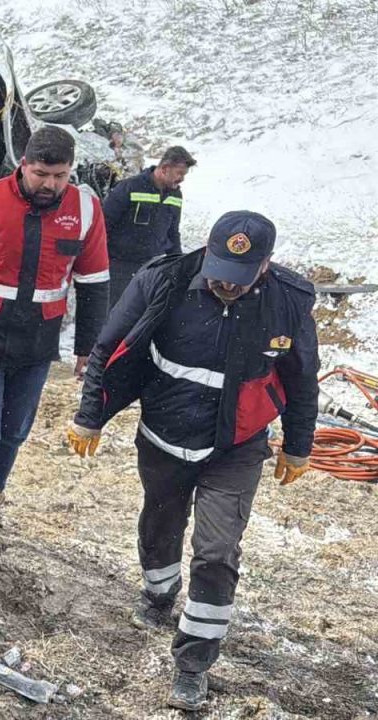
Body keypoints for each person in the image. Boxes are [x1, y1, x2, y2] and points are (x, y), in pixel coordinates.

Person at [68, 211, 318, 712]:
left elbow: (301, 375)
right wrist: (90, 415)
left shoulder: (288, 302)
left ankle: (194, 662)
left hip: (237, 447)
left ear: (266, 265)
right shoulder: (164, 281)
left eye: (242, 275)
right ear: (206, 250)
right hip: (164, 435)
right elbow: (109, 345)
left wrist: (298, 443)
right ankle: (159, 591)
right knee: (160, 523)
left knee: (217, 551)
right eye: (220, 268)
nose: (227, 282)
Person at [0, 125, 109, 567]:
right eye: (41, 174)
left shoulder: (86, 208)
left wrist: (88, 347)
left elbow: (95, 282)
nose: (50, 184)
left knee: (14, 433)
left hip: (37, 343)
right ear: (23, 165)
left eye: (60, 176)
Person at [102, 146, 195, 306]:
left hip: (152, 268)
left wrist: (179, 263)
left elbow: (173, 233)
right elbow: (104, 224)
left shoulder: (176, 195)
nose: (182, 179)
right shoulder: (130, 187)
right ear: (165, 168)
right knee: (114, 315)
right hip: (119, 267)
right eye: (179, 174)